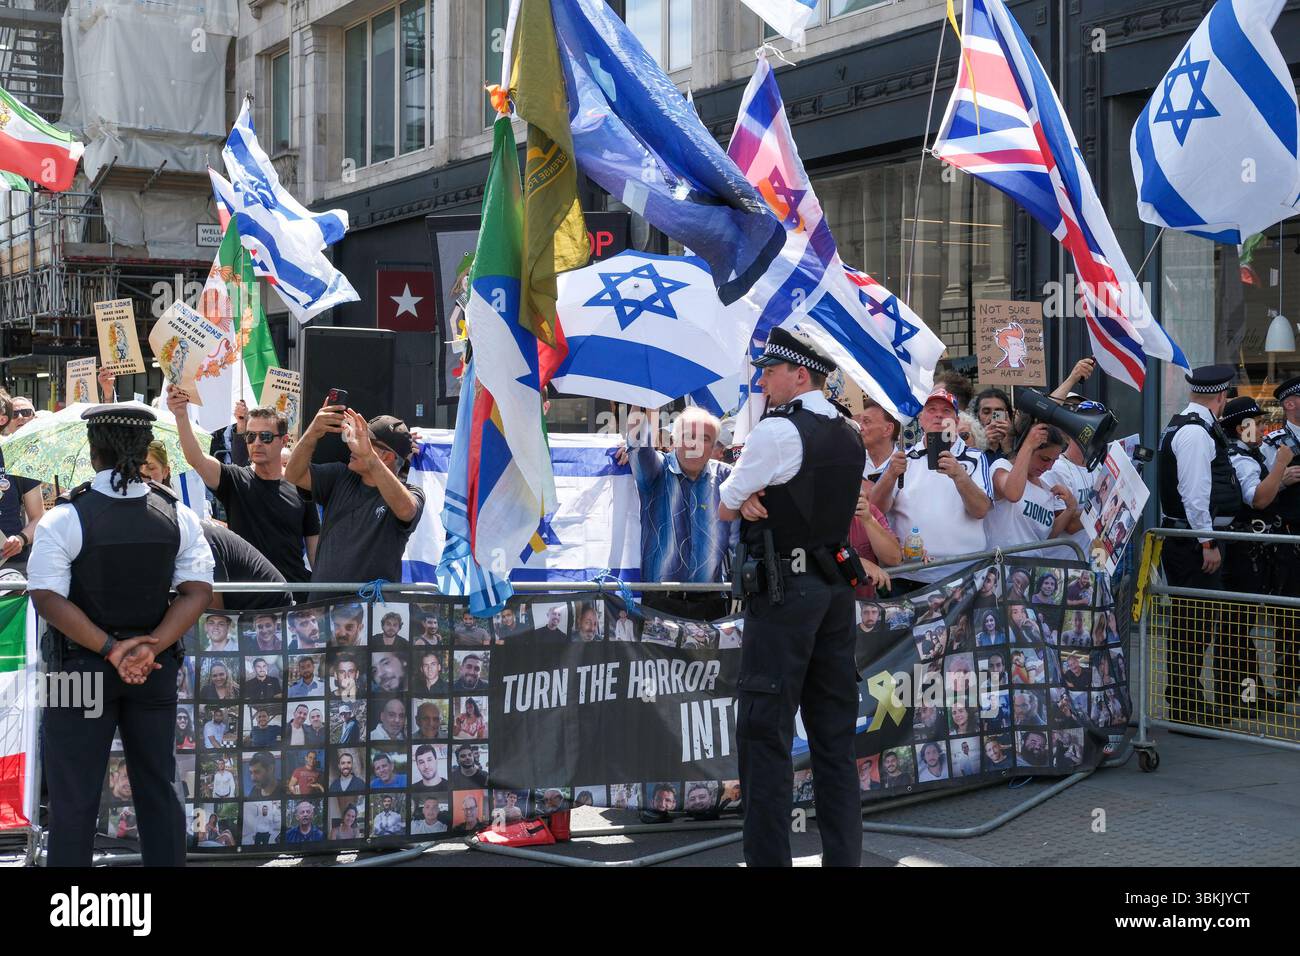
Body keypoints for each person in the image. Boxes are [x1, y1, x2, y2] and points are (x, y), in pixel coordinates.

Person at [28, 403, 214, 867]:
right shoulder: (177, 514)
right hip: (153, 667)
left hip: (75, 669)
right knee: (159, 786)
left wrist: (112, 649)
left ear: (94, 451)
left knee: (72, 797)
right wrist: (151, 644)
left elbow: (47, 599)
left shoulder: (65, 516)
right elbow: (198, 592)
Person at [715, 328, 866, 867]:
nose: (762, 380)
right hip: (834, 594)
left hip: (784, 596)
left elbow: (725, 504)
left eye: (769, 371)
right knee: (833, 743)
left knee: (764, 737)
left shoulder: (778, 433)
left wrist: (750, 494)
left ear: (799, 374)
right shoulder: (851, 432)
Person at [1157, 366, 1242, 725]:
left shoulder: (1186, 425)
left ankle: (1185, 699)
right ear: (1221, 397)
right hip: (1192, 543)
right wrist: (1207, 540)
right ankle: (1186, 705)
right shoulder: (1194, 432)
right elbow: (1194, 495)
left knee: (1194, 623)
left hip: (1188, 539)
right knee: (1195, 625)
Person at [169, 389, 320, 589]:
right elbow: (196, 459)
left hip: (293, 596)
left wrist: (319, 594)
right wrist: (181, 415)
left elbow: (315, 550)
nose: (256, 443)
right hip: (245, 597)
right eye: (250, 436)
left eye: (265, 436)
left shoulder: (301, 487)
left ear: (284, 440)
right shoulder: (235, 479)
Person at [286, 402, 425, 596]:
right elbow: (293, 475)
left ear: (386, 457)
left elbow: (407, 510)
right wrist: (313, 433)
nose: (352, 445)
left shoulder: (410, 492)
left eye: (363, 441)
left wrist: (368, 456)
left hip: (371, 617)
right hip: (322, 612)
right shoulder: (339, 476)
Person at [616, 405, 737, 620]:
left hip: (713, 605)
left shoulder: (727, 478)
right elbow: (637, 444)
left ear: (714, 446)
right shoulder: (656, 471)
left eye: (705, 438)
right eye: (688, 436)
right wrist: (639, 400)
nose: (695, 444)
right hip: (660, 604)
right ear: (674, 440)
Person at [871, 385, 993, 593]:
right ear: (921, 419)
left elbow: (980, 510)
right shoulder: (903, 458)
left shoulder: (974, 457)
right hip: (909, 574)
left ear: (955, 422)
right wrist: (890, 475)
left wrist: (959, 475)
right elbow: (875, 511)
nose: (938, 415)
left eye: (946, 411)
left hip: (961, 575)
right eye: (931, 410)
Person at [1221, 396, 1296, 715]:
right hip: (1242, 552)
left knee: (1242, 626)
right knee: (1237, 627)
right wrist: (1280, 466)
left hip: (1254, 551)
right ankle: (1242, 697)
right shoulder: (1241, 458)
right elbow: (1258, 500)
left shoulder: (1247, 453)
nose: (1264, 427)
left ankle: (1252, 693)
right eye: (1257, 422)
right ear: (1242, 428)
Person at [1259, 376, 1300, 708]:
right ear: (1289, 403)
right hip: (1289, 536)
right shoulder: (1273, 442)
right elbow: (1257, 493)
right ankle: (1288, 681)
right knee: (1288, 611)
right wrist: (1282, 481)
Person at [986, 422, 1083, 556]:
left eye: (1053, 461)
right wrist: (1028, 444)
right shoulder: (1002, 467)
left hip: (1031, 570)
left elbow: (1046, 535)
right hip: (1001, 568)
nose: (1048, 467)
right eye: (1044, 459)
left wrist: (1070, 509)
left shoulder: (1045, 486)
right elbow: (1013, 494)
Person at [199, 521, 292, 610]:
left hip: (268, 604)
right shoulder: (198, 531)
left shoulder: (201, 542)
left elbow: (213, 613)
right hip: (250, 600)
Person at [0, 393, 46, 576]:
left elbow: (38, 516)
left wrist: (20, 539)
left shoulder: (18, 456)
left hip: (11, 567)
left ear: (2, 419)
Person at [854, 397, 901, 484]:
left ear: (888, 429)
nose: (860, 427)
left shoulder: (909, 466)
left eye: (866, 421)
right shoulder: (852, 463)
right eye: (861, 421)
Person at [972, 388, 1014, 463]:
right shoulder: (968, 442)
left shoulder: (1019, 442)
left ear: (1008, 415)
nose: (992, 418)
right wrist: (983, 443)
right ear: (977, 415)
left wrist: (1008, 448)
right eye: (986, 412)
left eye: (998, 413)